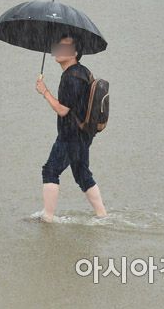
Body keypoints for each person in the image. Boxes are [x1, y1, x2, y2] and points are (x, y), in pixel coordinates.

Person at [34, 33, 108, 222]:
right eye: (58, 47)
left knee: (50, 170)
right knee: (82, 173)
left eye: (64, 48)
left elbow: (62, 110)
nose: (59, 51)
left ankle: (48, 217)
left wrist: (45, 92)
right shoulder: (83, 72)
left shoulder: (70, 78)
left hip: (70, 135)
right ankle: (102, 215)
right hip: (84, 134)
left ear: (75, 52)